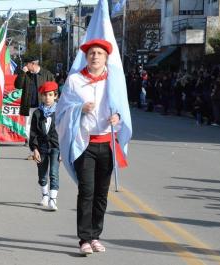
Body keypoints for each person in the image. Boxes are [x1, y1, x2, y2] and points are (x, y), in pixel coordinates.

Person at [55, 39, 130, 255]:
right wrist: (80, 108)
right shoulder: (75, 81)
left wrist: (118, 117)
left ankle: (96, 235)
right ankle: (84, 239)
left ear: (106, 57)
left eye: (99, 53)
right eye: (91, 53)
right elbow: (62, 110)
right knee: (86, 191)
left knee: (101, 194)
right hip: (84, 143)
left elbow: (123, 108)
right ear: (86, 57)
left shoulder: (114, 81)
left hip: (107, 143)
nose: (95, 56)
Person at [29, 81, 60, 211]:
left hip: (55, 147)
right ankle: (45, 195)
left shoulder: (59, 112)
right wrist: (34, 149)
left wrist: (63, 150)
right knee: (42, 173)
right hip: (41, 147)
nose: (47, 98)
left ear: (55, 96)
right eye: (45, 95)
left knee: (53, 172)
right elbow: (33, 133)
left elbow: (64, 131)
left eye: (50, 95)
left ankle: (53, 199)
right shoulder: (37, 113)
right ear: (41, 97)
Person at [14, 56, 54, 149]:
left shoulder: (46, 74)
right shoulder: (26, 74)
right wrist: (22, 73)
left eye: (26, 64)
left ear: (33, 64)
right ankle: (33, 147)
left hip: (42, 106)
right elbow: (18, 85)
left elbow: (53, 88)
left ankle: (41, 146)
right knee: (28, 126)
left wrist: (52, 103)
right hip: (29, 105)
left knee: (42, 126)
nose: (25, 66)